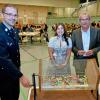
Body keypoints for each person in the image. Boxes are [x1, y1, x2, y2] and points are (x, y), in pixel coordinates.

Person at [0, 4, 31, 100]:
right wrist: (21, 76)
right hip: (4, 77)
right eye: (9, 14)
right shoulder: (1, 33)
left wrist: (18, 71)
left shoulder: (14, 31)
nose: (13, 18)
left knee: (15, 96)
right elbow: (4, 60)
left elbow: (15, 55)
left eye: (15, 15)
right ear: (2, 15)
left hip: (14, 74)